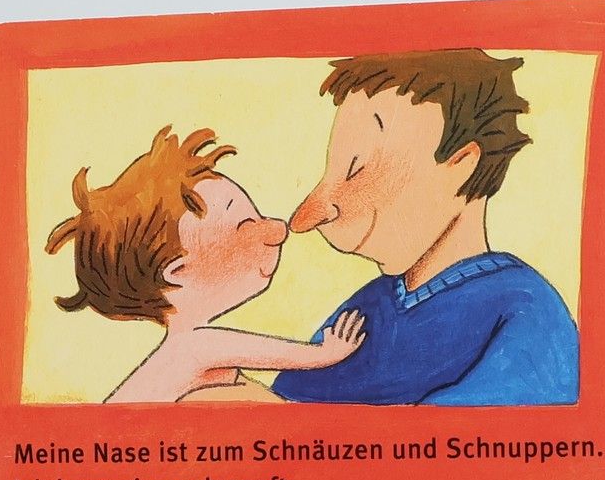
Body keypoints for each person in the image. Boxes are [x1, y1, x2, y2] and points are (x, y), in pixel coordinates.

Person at [271, 50, 580, 406]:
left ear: (461, 165)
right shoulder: (367, 309)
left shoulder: (527, 311)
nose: (307, 218)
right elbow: (284, 409)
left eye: (356, 168)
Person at [43, 124, 367, 403]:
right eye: (244, 227)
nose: (277, 230)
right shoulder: (193, 346)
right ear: (178, 271)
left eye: (256, 217)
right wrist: (327, 353)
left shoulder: (185, 356)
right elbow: (269, 354)